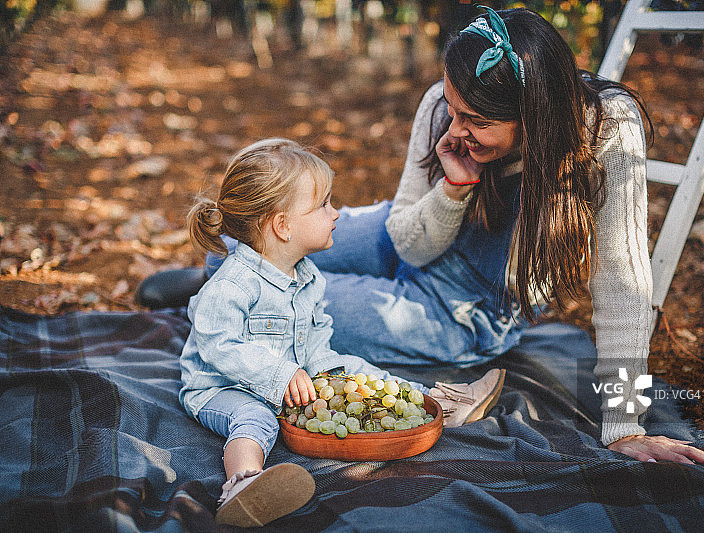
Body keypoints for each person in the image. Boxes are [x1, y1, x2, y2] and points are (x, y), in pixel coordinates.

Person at [140, 8, 704, 469]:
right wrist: (454, 189)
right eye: (453, 107)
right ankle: (220, 282)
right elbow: (409, 240)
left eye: (479, 123)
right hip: (412, 233)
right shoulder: (443, 107)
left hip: (463, 304)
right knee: (251, 257)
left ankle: (231, 288)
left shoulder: (607, 130)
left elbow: (622, 278)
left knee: (279, 313)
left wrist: (624, 426)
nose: (457, 126)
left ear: (535, 120)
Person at [179, 138, 506, 527]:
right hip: (220, 387)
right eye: (323, 205)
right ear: (282, 226)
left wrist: (341, 377)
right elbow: (219, 344)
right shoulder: (234, 285)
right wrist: (279, 375)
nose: (336, 214)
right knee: (254, 416)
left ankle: (431, 401)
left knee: (355, 368)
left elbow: (316, 345)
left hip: (293, 377)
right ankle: (243, 483)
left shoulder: (308, 276)